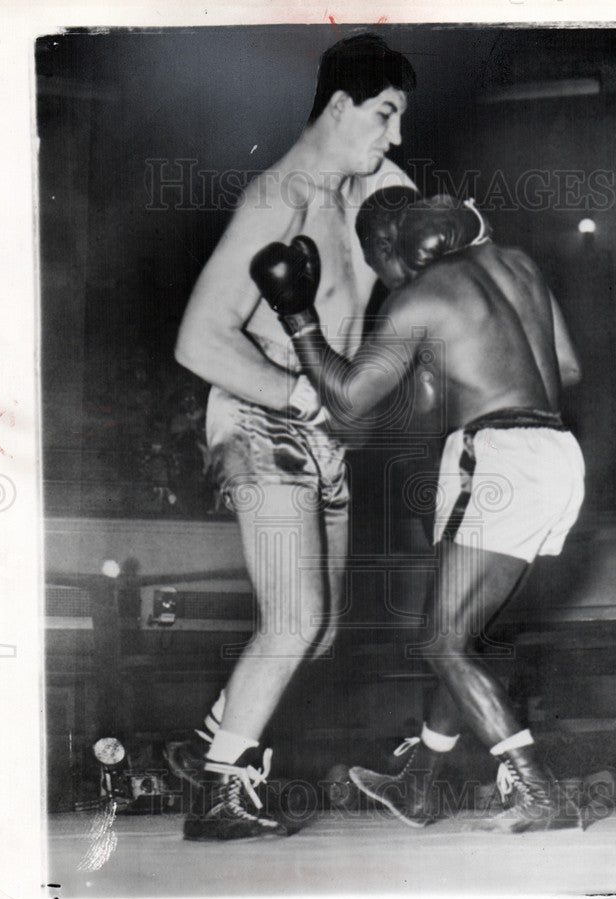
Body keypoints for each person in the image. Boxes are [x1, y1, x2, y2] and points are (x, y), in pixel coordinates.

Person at [250, 189, 584, 832]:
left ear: (385, 246)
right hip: (557, 454)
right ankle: (422, 785)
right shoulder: (517, 263)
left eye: (377, 266)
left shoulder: (419, 297)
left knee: (440, 639)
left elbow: (350, 403)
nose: (384, 281)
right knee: (459, 638)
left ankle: (540, 792)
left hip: (495, 459)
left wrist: (299, 316)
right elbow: (565, 366)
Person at [171, 36, 417, 840]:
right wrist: (299, 397)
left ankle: (217, 738)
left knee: (321, 629)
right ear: (339, 105)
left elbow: (425, 229)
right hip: (261, 419)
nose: (396, 136)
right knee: (294, 617)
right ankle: (219, 791)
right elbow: (199, 341)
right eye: (385, 114)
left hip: (323, 432)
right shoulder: (280, 196)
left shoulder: (360, 191)